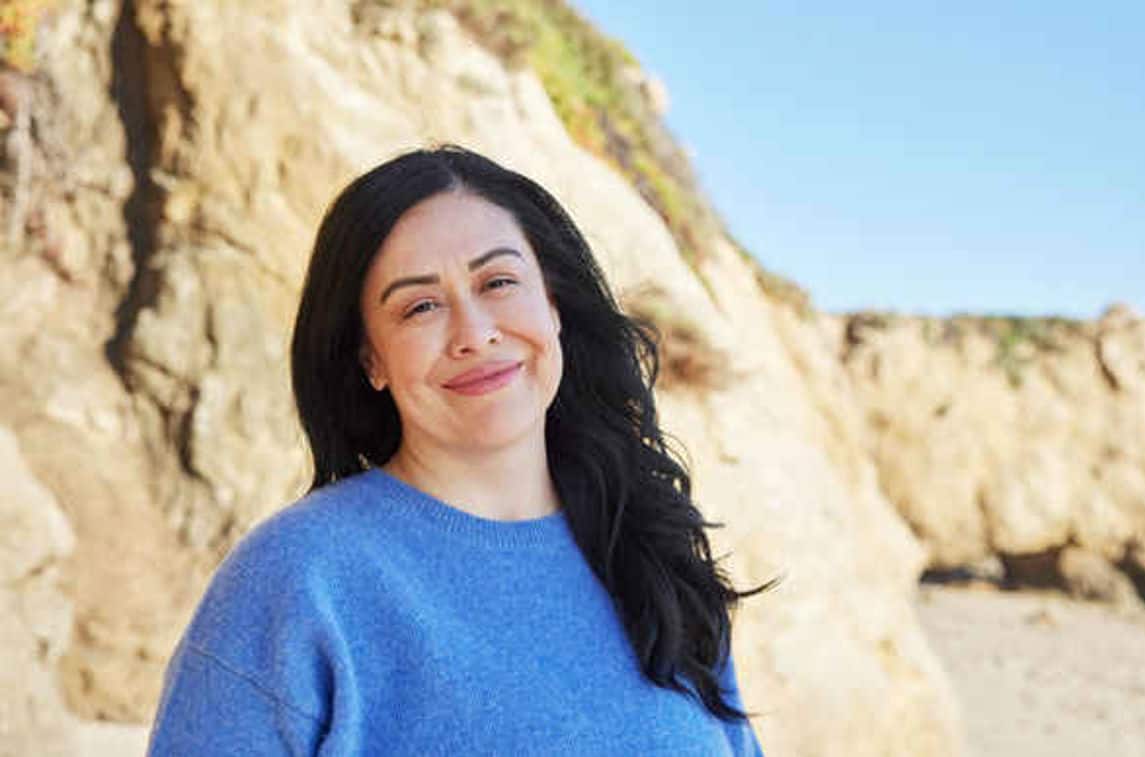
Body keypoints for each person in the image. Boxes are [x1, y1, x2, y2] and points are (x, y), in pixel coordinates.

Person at [147, 145, 776, 755]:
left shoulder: (650, 559)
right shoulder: (299, 578)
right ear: (371, 358)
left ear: (553, 304)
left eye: (498, 281)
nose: (474, 334)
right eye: (420, 306)